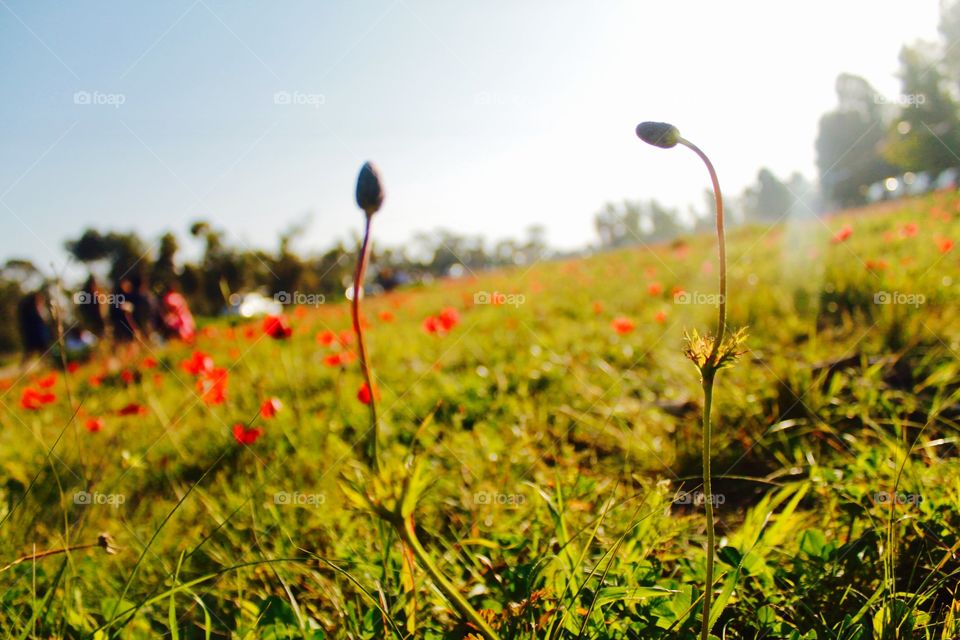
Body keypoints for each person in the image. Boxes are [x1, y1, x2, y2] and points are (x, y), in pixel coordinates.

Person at [17, 291, 51, 362]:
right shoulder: (32, 312)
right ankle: (45, 363)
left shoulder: (29, 311)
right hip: (37, 336)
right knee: (38, 352)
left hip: (35, 336)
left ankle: (45, 364)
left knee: (40, 352)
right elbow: (42, 321)